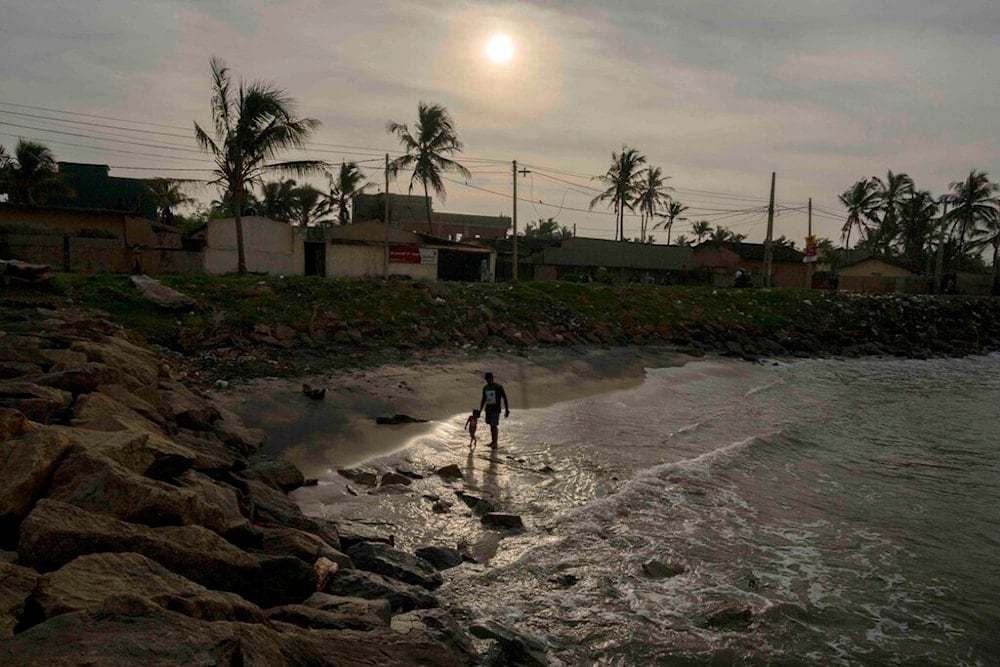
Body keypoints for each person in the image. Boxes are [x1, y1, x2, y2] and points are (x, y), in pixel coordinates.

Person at [479, 372, 510, 449]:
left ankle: (495, 443)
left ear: (492, 378)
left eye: (489, 379)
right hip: (488, 409)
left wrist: (506, 409)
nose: (487, 381)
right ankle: (493, 441)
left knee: (494, 425)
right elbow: (483, 399)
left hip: (496, 409)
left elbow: (504, 398)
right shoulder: (485, 388)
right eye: (486, 379)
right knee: (490, 425)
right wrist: (480, 410)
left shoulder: (498, 387)